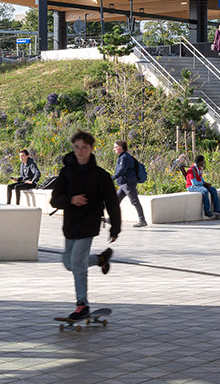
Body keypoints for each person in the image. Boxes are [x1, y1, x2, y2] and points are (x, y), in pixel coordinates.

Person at [50, 130, 120, 323]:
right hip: (71, 224)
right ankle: (101, 259)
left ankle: (82, 305)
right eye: (77, 147)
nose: (80, 151)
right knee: (69, 263)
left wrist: (115, 227)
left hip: (89, 224)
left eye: (84, 147)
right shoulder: (66, 172)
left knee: (78, 264)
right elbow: (54, 200)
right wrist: (71, 199)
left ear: (91, 149)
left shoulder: (100, 175)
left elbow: (112, 202)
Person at [111, 140, 148, 224]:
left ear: (120, 147)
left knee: (134, 201)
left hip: (128, 183)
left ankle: (142, 220)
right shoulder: (122, 156)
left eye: (115, 147)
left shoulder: (125, 157)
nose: (114, 149)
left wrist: (112, 178)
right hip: (124, 183)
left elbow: (121, 171)